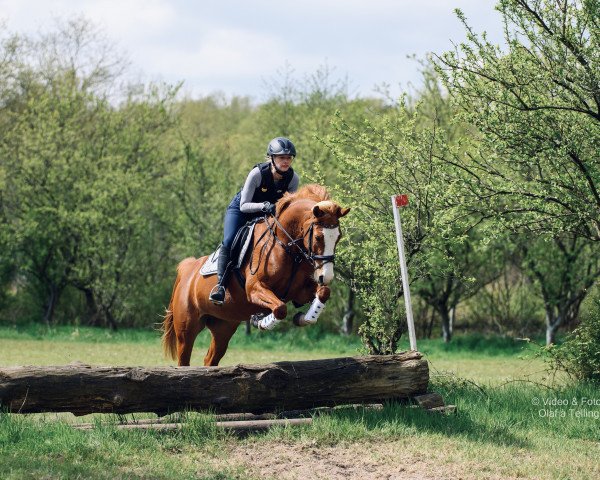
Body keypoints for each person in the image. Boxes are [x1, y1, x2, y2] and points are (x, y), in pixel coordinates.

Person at [209, 137, 300, 304]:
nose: (286, 161)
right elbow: (244, 205)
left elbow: (289, 208)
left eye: (289, 158)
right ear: (272, 158)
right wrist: (264, 206)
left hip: (268, 215)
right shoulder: (258, 174)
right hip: (242, 211)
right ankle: (220, 286)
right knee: (229, 241)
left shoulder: (293, 179)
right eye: (281, 158)